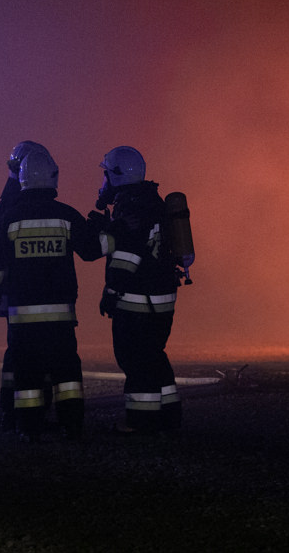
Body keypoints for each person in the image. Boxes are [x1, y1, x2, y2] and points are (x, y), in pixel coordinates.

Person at [0, 149, 104, 441]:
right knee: (66, 373)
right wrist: (108, 230)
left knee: (27, 374)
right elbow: (91, 251)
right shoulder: (65, 215)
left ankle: (28, 427)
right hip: (61, 318)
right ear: (53, 177)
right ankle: (72, 425)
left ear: (22, 180)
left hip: (22, 318)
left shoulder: (10, 218)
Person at [90, 146, 182, 436]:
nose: (103, 182)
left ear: (116, 175)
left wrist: (112, 290)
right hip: (164, 298)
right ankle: (168, 414)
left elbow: (127, 255)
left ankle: (140, 423)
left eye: (105, 175)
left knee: (134, 359)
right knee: (154, 355)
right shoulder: (153, 202)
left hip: (136, 301)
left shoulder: (130, 207)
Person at [0, 140, 53, 432]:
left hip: (18, 294)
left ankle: (14, 410)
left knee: (18, 352)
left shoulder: (8, 205)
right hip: (35, 293)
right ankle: (28, 412)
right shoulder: (18, 205)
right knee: (34, 353)